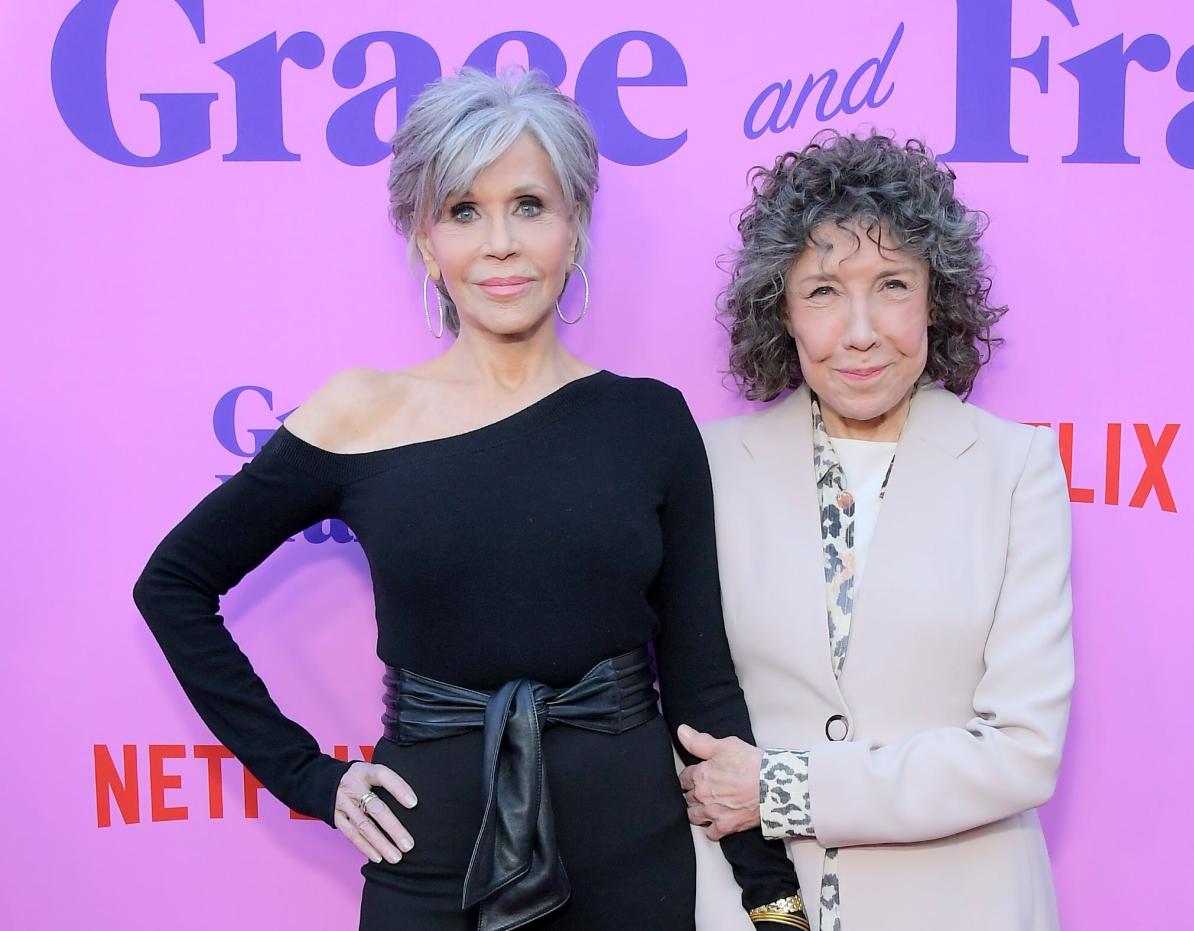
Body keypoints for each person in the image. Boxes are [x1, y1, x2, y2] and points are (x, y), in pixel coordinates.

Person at [133, 69, 806, 931]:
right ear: (424, 239)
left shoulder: (648, 419)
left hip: (634, 856)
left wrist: (770, 896)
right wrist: (309, 776)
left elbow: (700, 674)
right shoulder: (360, 412)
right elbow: (173, 583)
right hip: (427, 858)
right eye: (463, 211)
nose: (500, 243)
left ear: (575, 227)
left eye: (529, 204)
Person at [676, 131, 1073, 931]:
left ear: (937, 296)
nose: (859, 331)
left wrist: (784, 788)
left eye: (891, 283)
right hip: (750, 909)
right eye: (823, 290)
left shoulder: (1016, 467)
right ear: (780, 308)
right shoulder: (706, 466)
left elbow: (1023, 750)